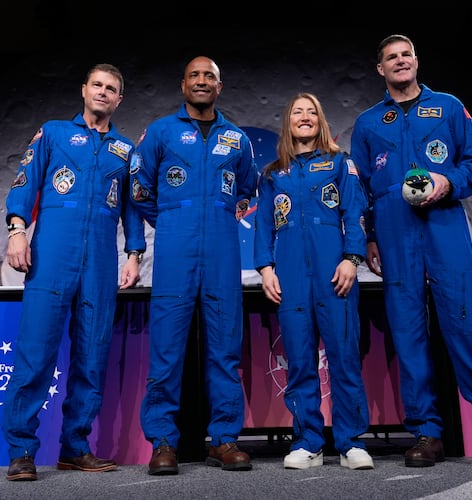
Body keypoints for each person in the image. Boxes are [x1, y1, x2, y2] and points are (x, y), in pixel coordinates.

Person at [350, 33, 472, 468]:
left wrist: (448, 183)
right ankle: (426, 433)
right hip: (396, 241)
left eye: (406, 55)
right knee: (409, 336)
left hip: (445, 232)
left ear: (416, 61)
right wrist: (370, 238)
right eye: (391, 58)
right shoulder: (367, 123)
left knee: (467, 329)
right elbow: (360, 192)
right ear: (380, 69)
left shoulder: (449, 107)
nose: (400, 62)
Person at [2, 63, 146, 481]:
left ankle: (75, 447)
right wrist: (16, 231)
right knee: (35, 354)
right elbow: (24, 182)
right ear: (84, 90)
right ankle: (22, 451)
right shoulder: (53, 133)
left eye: (111, 89)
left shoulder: (124, 151)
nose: (103, 92)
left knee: (92, 357)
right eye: (97, 85)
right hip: (52, 257)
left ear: (119, 99)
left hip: (100, 261)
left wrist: (134, 254)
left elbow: (132, 210)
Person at [129, 56, 257, 475]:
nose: (202, 82)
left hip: (222, 251)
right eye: (195, 76)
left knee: (224, 349)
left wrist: (218, 216)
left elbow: (248, 188)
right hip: (175, 250)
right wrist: (170, 219)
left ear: (220, 87)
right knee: (166, 350)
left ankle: (224, 440)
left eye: (210, 77)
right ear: (183, 84)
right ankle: (164, 442)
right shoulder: (161, 132)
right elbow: (139, 188)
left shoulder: (237, 139)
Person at [253, 92, 374, 471]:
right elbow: (262, 226)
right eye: (297, 113)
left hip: (333, 270)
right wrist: (266, 269)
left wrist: (352, 259)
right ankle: (308, 442)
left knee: (343, 356)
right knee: (301, 361)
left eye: (311, 112)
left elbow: (354, 212)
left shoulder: (340, 163)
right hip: (290, 273)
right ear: (288, 123)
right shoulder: (273, 174)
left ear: (320, 121)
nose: (304, 118)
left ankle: (351, 442)